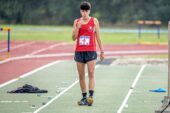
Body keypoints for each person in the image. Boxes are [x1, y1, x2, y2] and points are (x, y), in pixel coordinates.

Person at [72, 1, 104, 106]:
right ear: (80, 11)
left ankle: (90, 97)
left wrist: (102, 51)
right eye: (83, 11)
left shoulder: (94, 21)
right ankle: (84, 97)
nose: (84, 13)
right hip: (79, 51)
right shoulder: (76, 21)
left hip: (91, 50)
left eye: (86, 11)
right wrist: (78, 27)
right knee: (81, 75)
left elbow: (98, 37)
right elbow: (73, 38)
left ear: (89, 11)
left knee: (91, 73)